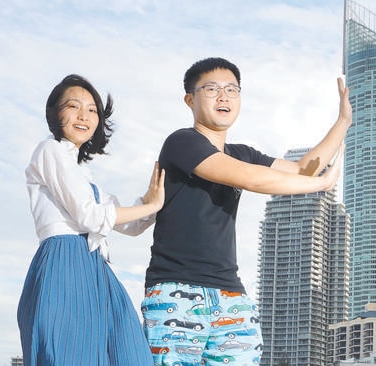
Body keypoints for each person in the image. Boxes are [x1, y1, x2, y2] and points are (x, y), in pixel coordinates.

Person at [141, 57, 351, 365]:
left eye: (232, 89)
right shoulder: (181, 142)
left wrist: (343, 122)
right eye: (211, 89)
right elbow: (250, 178)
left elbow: (301, 170)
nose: (223, 96)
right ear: (190, 99)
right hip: (176, 291)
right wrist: (320, 185)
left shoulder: (242, 153)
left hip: (230, 296)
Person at [17, 74, 165, 366]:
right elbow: (90, 216)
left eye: (92, 109)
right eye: (73, 106)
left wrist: (152, 203)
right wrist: (153, 204)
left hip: (96, 267)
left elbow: (130, 225)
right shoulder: (50, 150)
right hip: (64, 262)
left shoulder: (84, 175)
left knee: (131, 355)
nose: (83, 115)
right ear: (55, 113)